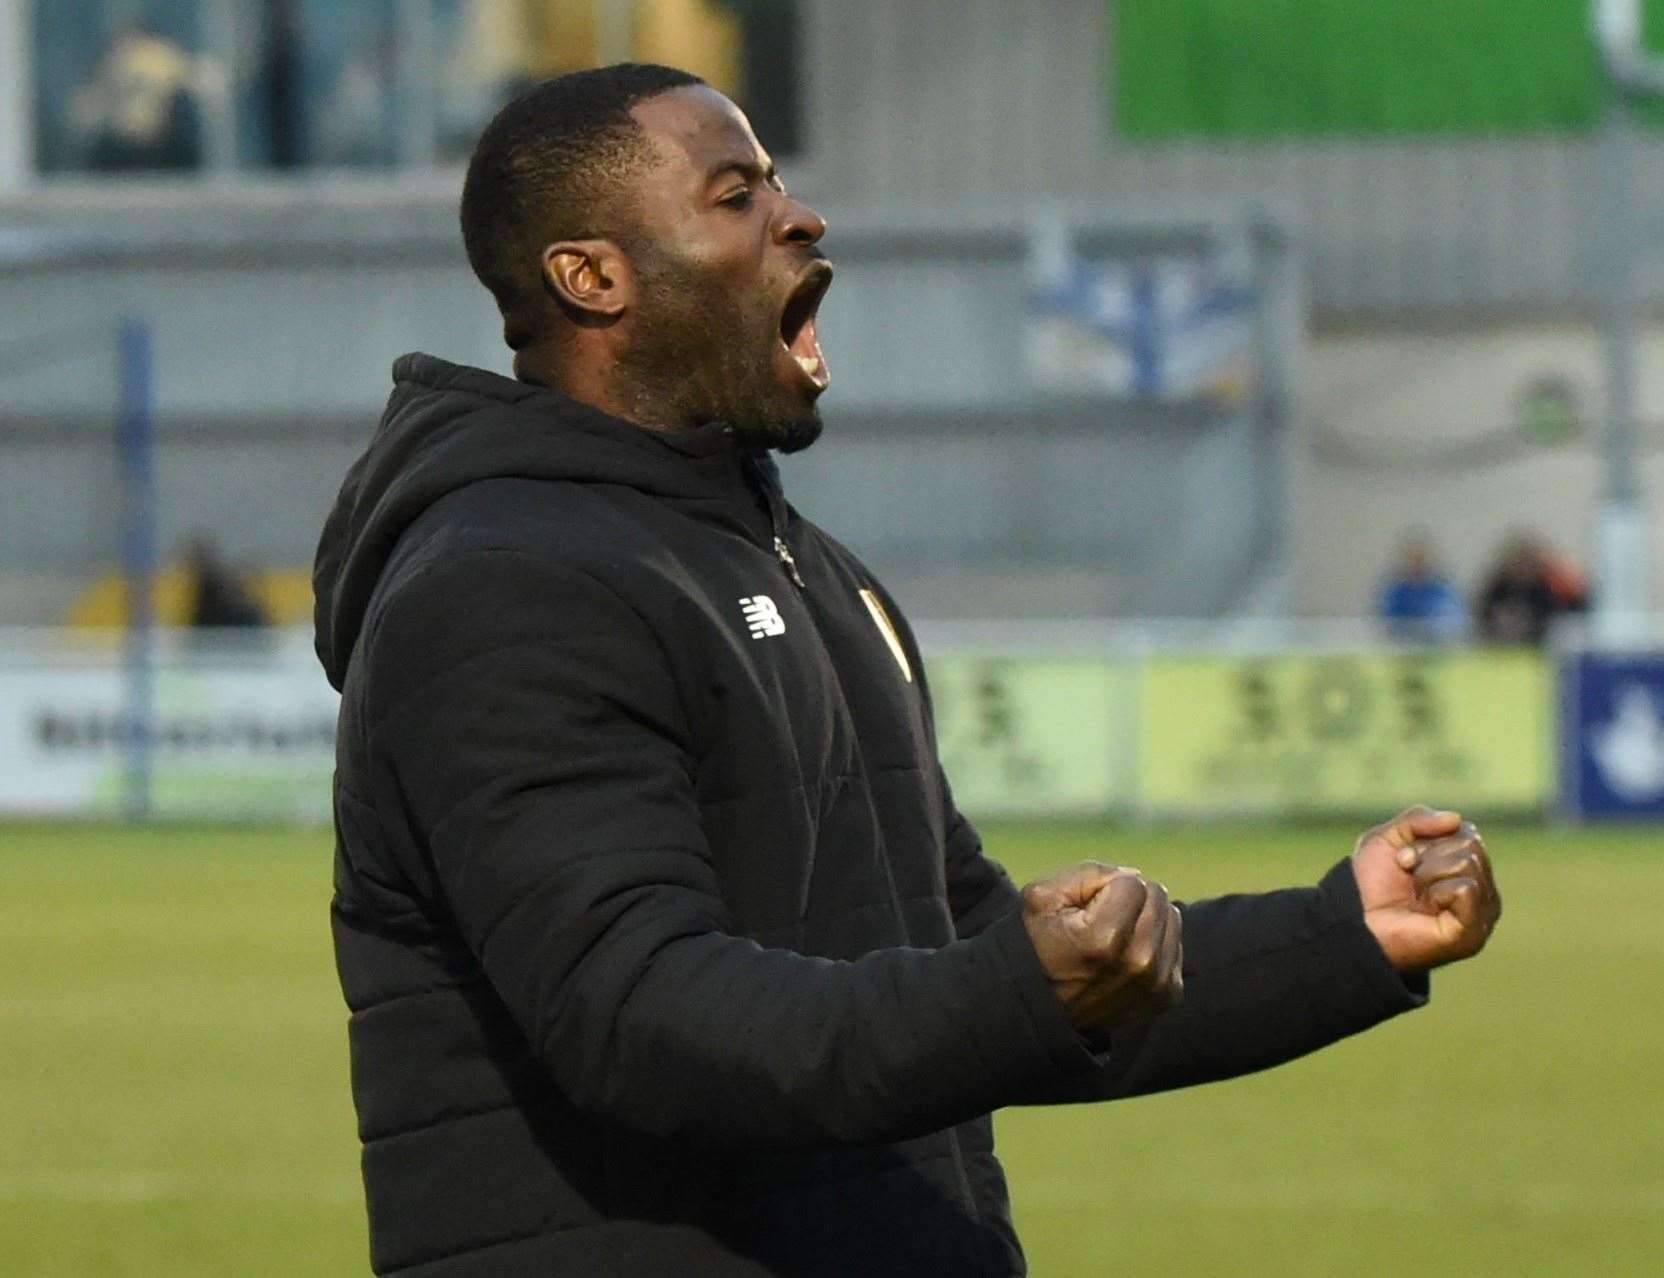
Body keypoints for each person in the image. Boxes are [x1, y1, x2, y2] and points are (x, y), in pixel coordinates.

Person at [313, 65, 1502, 1277]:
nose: (798, 215)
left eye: (776, 181)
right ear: (592, 278)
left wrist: (1343, 934)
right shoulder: (505, 584)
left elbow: (962, 949)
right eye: (735, 195)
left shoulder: (805, 568)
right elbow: (641, 1016)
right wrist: (1019, 987)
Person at [1376, 533, 1465, 642]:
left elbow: (1451, 621)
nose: (1416, 564)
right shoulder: (1396, 592)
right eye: (1412, 559)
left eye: (1421, 559)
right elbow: (1384, 621)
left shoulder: (1441, 591)